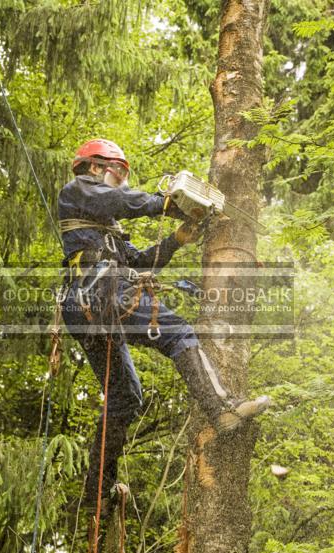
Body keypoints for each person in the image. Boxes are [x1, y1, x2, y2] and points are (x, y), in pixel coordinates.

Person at [58, 139, 269, 514]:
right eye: (117, 172)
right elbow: (120, 201)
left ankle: (94, 496)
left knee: (125, 398)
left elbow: (140, 263)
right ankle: (222, 408)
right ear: (93, 167)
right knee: (179, 333)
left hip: (90, 303)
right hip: (99, 295)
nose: (121, 181)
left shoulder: (103, 225)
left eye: (124, 174)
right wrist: (168, 203)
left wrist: (175, 240)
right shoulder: (80, 191)